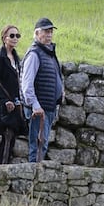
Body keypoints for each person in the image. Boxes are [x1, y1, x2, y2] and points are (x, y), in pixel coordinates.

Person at [21, 17, 63, 162]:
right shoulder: (34, 54)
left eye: (51, 31)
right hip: (39, 109)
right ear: (37, 34)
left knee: (42, 144)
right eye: (46, 31)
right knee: (38, 144)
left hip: (47, 107)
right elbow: (27, 84)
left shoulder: (48, 53)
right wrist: (35, 105)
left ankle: (36, 176)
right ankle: (34, 177)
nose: (49, 34)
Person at [0, 24, 25, 164]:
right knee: (7, 137)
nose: (15, 38)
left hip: (15, 105)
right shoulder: (0, 58)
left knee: (11, 139)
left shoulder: (16, 58)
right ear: (4, 38)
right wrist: (4, 101)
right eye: (12, 35)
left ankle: (5, 169)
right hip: (5, 106)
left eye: (17, 35)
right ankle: (1, 170)